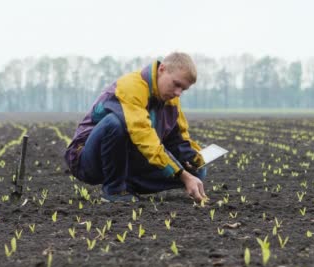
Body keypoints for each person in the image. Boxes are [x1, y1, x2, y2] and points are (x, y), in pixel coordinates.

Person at [64, 52, 207, 203]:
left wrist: (195, 158)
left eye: (183, 89)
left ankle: (127, 185)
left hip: (128, 159)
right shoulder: (132, 87)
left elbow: (177, 139)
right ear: (162, 69)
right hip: (88, 159)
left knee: (198, 172)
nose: (178, 93)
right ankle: (114, 191)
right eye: (176, 84)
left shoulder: (171, 99)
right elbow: (144, 138)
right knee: (115, 123)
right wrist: (182, 175)